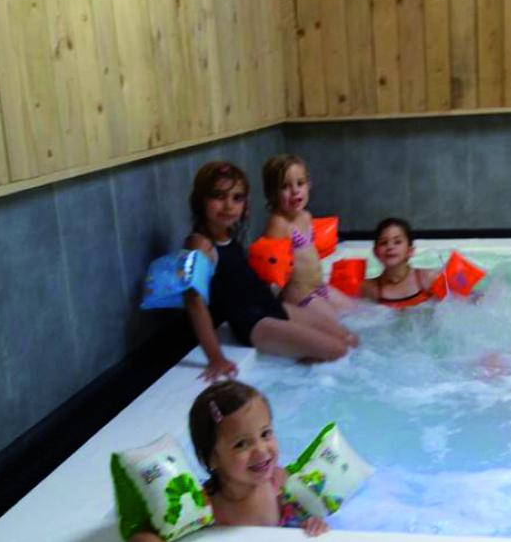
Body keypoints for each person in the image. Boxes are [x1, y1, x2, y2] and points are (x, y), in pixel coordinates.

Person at [127, 380, 328, 542]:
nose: (261, 450)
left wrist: (312, 524)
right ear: (212, 459)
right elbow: (138, 541)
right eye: (241, 444)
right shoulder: (204, 505)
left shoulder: (277, 481)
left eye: (265, 433)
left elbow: (300, 514)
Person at [184, 161, 352, 381]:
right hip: (252, 323)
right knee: (337, 350)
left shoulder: (227, 237)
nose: (228, 205)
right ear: (200, 200)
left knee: (348, 339)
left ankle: (299, 365)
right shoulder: (201, 245)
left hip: (271, 307)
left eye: (237, 198)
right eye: (218, 196)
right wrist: (215, 358)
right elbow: (194, 302)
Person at [261, 154, 356, 321]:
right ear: (272, 193)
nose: (295, 191)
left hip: (318, 287)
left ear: (308, 184)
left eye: (300, 183)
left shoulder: (305, 216)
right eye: (285, 186)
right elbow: (270, 272)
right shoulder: (279, 224)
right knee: (340, 325)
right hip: (299, 296)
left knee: (358, 312)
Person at [360, 218, 440, 308]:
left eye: (397, 242)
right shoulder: (370, 289)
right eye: (383, 243)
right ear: (376, 252)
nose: (390, 246)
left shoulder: (427, 278)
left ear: (410, 251)